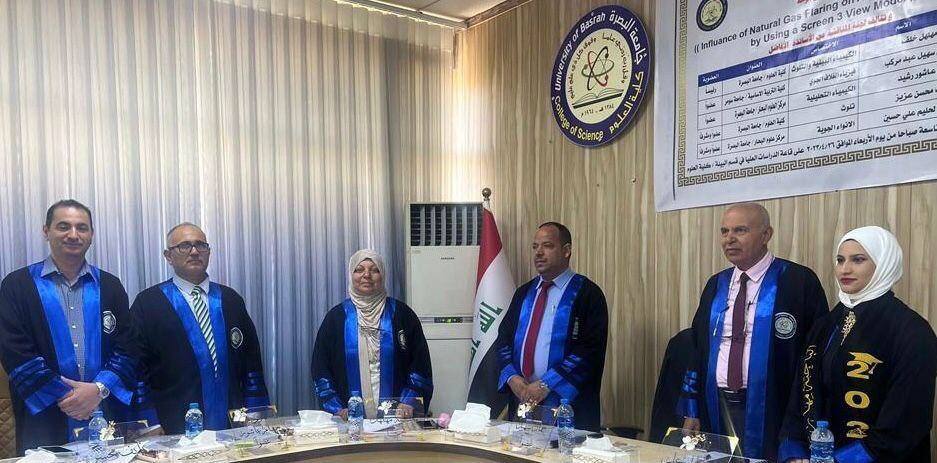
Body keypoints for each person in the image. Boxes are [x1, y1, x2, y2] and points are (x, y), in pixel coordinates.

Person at [678, 203, 828, 460]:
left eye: (740, 230)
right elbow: (697, 347)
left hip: (776, 407)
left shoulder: (797, 281)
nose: (729, 239)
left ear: (766, 235)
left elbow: (817, 354)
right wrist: (692, 408)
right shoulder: (716, 285)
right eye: (724, 231)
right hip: (717, 404)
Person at [779, 226, 937, 462]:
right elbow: (801, 392)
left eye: (858, 260)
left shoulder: (911, 330)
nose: (845, 269)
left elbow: (906, 419)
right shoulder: (826, 325)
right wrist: (795, 450)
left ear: (883, 264)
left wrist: (844, 459)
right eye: (840, 260)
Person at [0, 200, 138, 454]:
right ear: (46, 231)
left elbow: (128, 346)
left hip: (104, 411)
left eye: (81, 228)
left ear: (91, 235)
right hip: (44, 414)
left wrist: (98, 390)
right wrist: (67, 396)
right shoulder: (17, 285)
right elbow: (13, 350)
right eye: (63, 226)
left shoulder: (110, 286)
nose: (73, 235)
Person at [131, 223, 269, 434]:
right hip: (172, 426)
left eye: (200, 245)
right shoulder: (148, 303)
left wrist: (255, 413)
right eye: (184, 246)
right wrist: (149, 423)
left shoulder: (231, 300)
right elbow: (137, 369)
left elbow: (252, 363)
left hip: (233, 424)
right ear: (168, 256)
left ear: (208, 252)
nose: (194, 251)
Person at [495, 222, 608, 432]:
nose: (539, 253)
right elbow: (503, 340)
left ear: (566, 251)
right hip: (523, 400)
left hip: (568, 409)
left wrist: (546, 384)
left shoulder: (587, 294)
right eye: (535, 246)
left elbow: (589, 352)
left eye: (547, 246)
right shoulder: (523, 294)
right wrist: (513, 379)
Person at [311, 250, 433, 419]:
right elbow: (321, 368)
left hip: (397, 418)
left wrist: (409, 401)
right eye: (359, 269)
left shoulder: (403, 315)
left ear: (383, 275)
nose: (367, 275)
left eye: (374, 270)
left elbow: (420, 364)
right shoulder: (336, 318)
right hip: (349, 418)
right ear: (351, 275)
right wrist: (336, 408)